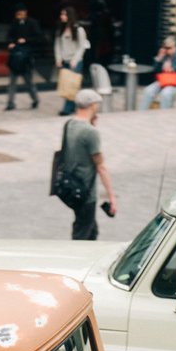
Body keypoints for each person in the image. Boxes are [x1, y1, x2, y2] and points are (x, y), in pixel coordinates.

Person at [60, 87, 117, 240]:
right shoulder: (90, 132)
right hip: (85, 191)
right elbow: (101, 166)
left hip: (71, 187)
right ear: (92, 105)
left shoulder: (69, 124)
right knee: (82, 233)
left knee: (90, 229)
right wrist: (111, 196)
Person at [54, 6, 89, 116]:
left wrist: (75, 60)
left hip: (75, 61)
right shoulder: (60, 29)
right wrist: (58, 58)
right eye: (61, 14)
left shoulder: (78, 29)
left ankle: (67, 109)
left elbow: (82, 47)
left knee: (71, 85)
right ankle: (74, 106)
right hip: (65, 60)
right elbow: (57, 45)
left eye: (64, 14)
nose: (62, 17)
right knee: (68, 85)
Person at [5, 4, 41, 110]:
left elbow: (39, 37)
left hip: (27, 55)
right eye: (17, 14)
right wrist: (11, 43)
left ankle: (35, 99)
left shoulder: (32, 23)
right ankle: (10, 103)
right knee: (12, 81)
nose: (18, 16)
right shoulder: (14, 23)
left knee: (28, 81)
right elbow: (9, 35)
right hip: (15, 55)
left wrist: (26, 40)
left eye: (20, 13)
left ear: (25, 13)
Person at [139, 35, 176, 111]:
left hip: (175, 83)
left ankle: (164, 115)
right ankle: (142, 112)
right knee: (148, 91)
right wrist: (159, 58)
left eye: (169, 48)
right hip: (162, 81)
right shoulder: (164, 56)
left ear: (174, 47)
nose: (167, 50)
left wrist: (172, 68)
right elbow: (155, 70)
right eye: (165, 48)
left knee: (165, 93)